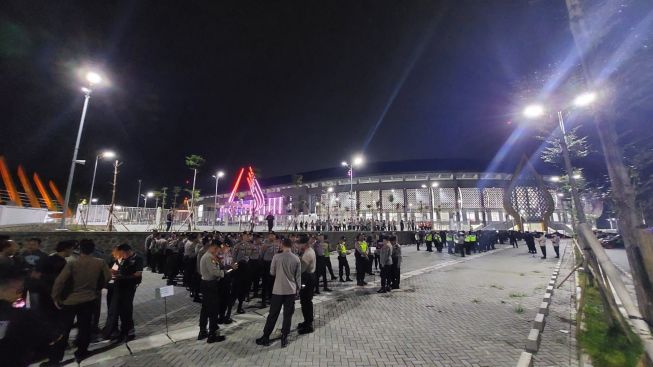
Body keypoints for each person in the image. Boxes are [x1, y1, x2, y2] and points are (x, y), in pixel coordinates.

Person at [49, 240, 111, 364]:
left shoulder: (72, 263)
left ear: (80, 249)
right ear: (93, 249)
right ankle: (82, 351)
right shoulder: (100, 262)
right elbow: (108, 277)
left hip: (70, 301)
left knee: (64, 329)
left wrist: (55, 297)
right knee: (85, 327)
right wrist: (97, 289)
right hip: (89, 299)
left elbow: (60, 281)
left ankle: (56, 358)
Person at [0, 263, 62, 367]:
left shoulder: (21, 314)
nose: (20, 294)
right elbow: (49, 338)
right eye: (19, 290)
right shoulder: (23, 316)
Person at [256, 238, 301, 348]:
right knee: (287, 315)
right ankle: (284, 337)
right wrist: (297, 290)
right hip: (290, 290)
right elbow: (298, 277)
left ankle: (266, 336)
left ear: (282, 245)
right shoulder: (296, 259)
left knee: (273, 314)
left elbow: (272, 272)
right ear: (291, 245)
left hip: (278, 290)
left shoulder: (276, 257)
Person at [107, 244, 143, 342]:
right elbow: (113, 269)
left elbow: (138, 273)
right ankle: (116, 331)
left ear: (127, 251)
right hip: (118, 285)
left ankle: (129, 331)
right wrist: (112, 272)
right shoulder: (120, 259)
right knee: (116, 308)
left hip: (130, 286)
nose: (120, 255)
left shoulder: (137, 258)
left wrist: (124, 276)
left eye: (121, 253)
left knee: (126, 309)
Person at [198, 241, 230, 343]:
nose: (218, 252)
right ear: (214, 247)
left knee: (205, 309)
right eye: (217, 250)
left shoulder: (208, 256)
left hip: (206, 284)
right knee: (213, 310)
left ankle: (203, 331)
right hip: (210, 285)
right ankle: (212, 334)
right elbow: (214, 272)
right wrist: (224, 273)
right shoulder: (208, 257)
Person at [297, 235, 316, 335]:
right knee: (307, 301)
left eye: (299, 243)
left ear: (304, 244)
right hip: (310, 277)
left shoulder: (307, 254)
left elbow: (302, 269)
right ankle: (307, 321)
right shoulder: (309, 250)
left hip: (307, 279)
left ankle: (308, 325)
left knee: (305, 301)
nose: (298, 245)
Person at [261, 232, 280, 308]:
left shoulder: (277, 244)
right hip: (267, 264)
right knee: (265, 283)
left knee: (273, 282)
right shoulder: (265, 244)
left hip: (275, 264)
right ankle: (263, 301)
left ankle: (271, 298)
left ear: (275, 236)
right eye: (270, 235)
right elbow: (261, 255)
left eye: (273, 235)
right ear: (268, 236)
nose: (271, 237)